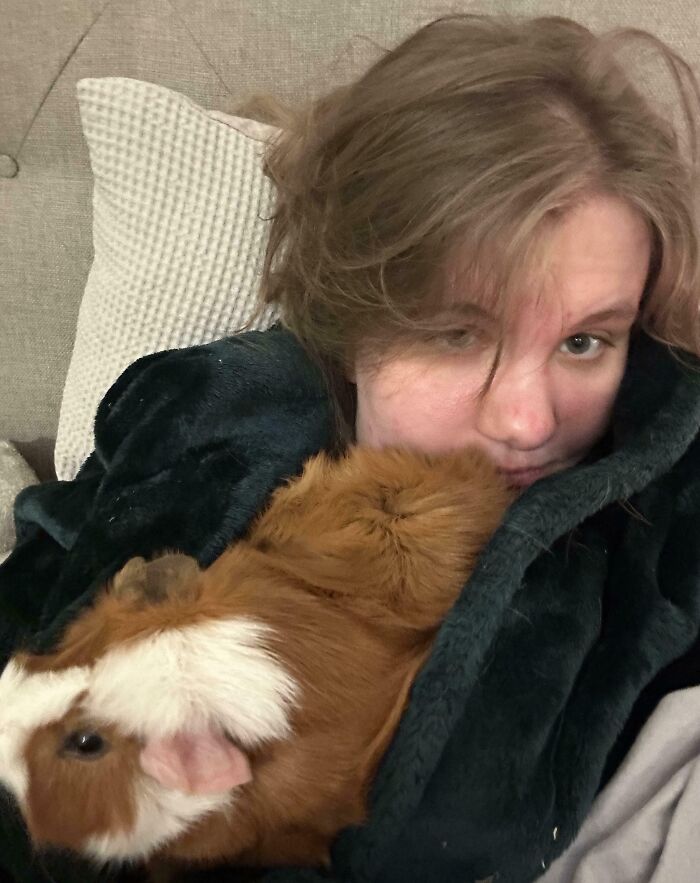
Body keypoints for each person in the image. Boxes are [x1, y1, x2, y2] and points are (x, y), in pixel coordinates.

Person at [1, 11, 699, 883]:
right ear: (351, 316)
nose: (527, 421)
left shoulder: (660, 531)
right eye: (456, 334)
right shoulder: (204, 407)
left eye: (586, 341)